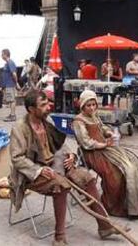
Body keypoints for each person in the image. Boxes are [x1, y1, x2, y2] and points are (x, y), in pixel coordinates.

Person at [9, 90, 129, 245]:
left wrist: (71, 154)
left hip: (57, 164)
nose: (48, 107)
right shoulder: (20, 128)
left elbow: (59, 143)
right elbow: (17, 158)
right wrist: (39, 170)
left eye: (47, 103)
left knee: (88, 178)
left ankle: (105, 227)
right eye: (43, 105)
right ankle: (59, 238)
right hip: (33, 173)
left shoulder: (47, 120)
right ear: (31, 109)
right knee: (61, 186)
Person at [73, 90, 138, 218]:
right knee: (116, 172)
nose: (92, 108)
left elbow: (102, 127)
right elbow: (86, 142)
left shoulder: (94, 116)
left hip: (105, 148)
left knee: (136, 161)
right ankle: (111, 205)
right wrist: (103, 144)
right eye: (88, 105)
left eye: (94, 104)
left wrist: (109, 133)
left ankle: (133, 203)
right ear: (82, 105)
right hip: (91, 153)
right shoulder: (78, 121)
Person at [1, 48, 20, 122]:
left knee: (12, 100)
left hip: (10, 85)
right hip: (7, 85)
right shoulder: (7, 63)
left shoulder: (10, 62)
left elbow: (14, 74)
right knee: (10, 100)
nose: (1, 56)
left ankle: (13, 116)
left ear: (6, 54)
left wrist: (16, 83)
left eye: (2, 54)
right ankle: (12, 114)